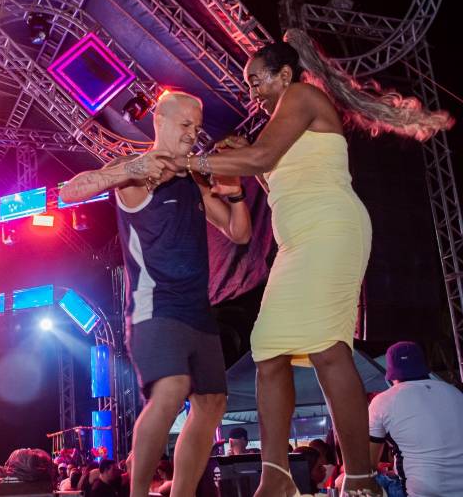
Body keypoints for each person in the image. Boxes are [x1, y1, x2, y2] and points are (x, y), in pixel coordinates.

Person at [173, 29, 452, 497]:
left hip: (330, 229)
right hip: (298, 241)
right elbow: (271, 179)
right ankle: (276, 476)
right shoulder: (279, 123)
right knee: (268, 351)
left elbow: (262, 157)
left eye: (257, 81)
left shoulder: (301, 97)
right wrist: (232, 167)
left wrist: (192, 163)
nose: (252, 92)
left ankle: (361, 478)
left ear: (285, 75)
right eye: (248, 85)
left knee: (328, 349)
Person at [60, 91, 252, 497]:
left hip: (199, 312)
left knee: (213, 402)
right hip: (155, 309)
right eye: (185, 125)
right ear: (159, 121)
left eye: (197, 127)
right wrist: (132, 167)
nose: (192, 134)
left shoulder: (192, 178)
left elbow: (238, 233)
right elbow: (69, 192)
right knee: (171, 389)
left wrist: (235, 193)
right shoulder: (133, 172)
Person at [368, 341, 463, 497]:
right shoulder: (455, 392)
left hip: (422, 492)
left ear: (391, 373)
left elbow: (368, 463)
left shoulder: (383, 401)